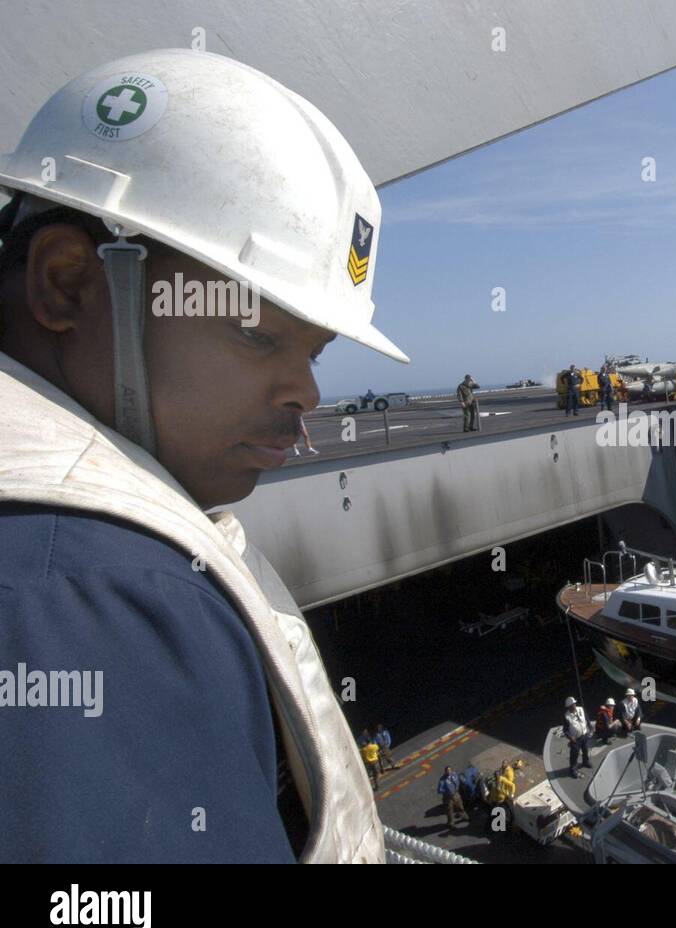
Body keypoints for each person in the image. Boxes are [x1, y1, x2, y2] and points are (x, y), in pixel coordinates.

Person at [0, 50, 408, 862]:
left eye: (315, 353)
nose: (305, 395)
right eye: (257, 333)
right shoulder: (102, 592)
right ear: (69, 284)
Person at [563, 696, 592, 778]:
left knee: (585, 750)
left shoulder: (581, 709)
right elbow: (565, 730)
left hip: (584, 735)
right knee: (574, 754)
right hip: (576, 739)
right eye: (572, 705)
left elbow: (586, 718)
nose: (574, 706)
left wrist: (590, 726)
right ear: (568, 707)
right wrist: (570, 737)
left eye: (574, 704)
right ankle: (573, 769)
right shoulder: (567, 716)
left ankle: (585, 762)